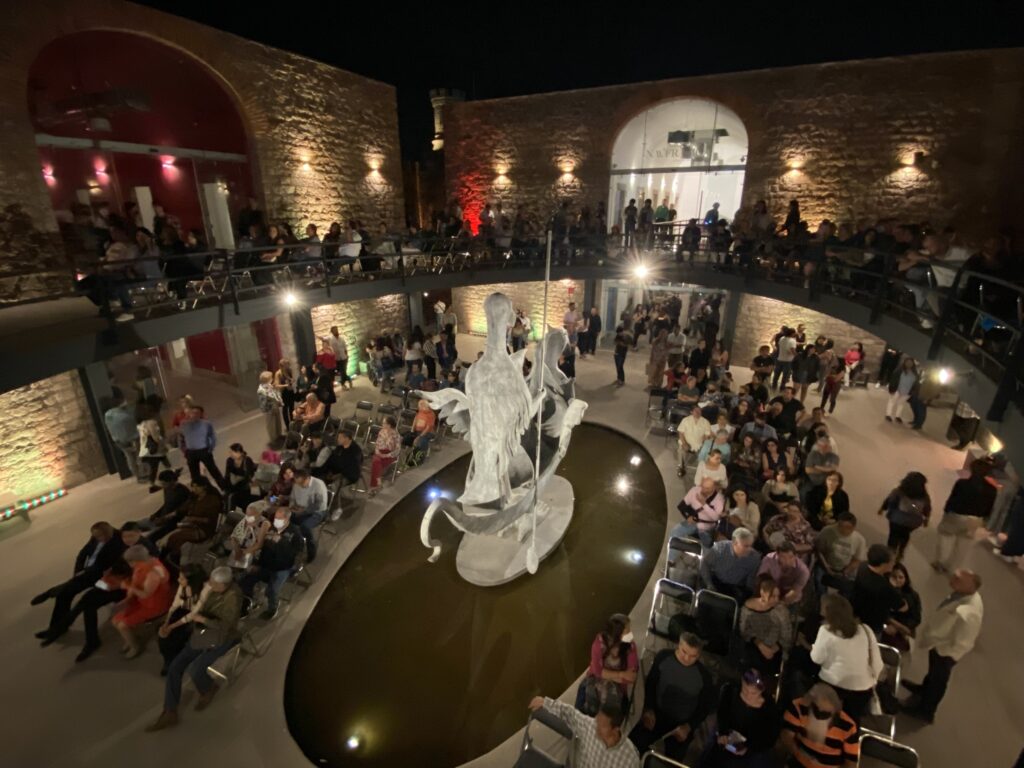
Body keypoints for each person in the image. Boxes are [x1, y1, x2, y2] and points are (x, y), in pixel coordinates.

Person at [146, 567, 244, 732]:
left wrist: (203, 620)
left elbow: (226, 626)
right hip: (203, 634)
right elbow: (196, 607)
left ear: (224, 585)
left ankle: (208, 688)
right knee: (175, 667)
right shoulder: (212, 589)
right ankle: (170, 711)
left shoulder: (232, 598)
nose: (210, 585)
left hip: (224, 637)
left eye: (214, 584)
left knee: (196, 669)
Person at [901, 569, 983, 724]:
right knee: (933, 673)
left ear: (971, 585)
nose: (953, 579)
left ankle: (926, 711)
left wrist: (945, 650)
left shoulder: (970, 611)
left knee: (938, 680)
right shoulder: (961, 594)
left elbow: (964, 638)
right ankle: (924, 690)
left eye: (958, 579)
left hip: (947, 651)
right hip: (939, 642)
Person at [31, 521, 126, 641]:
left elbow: (108, 566)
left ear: (108, 532)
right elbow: (83, 554)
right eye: (96, 536)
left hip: (102, 577)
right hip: (88, 573)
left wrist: (86, 573)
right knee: (64, 594)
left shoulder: (119, 540)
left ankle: (51, 593)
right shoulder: (96, 537)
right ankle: (56, 627)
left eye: (100, 536)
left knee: (83, 599)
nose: (98, 539)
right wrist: (78, 571)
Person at [629, 633, 715, 762]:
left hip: (681, 724)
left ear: (699, 655)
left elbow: (705, 706)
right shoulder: (663, 657)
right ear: (678, 645)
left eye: (693, 656)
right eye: (684, 651)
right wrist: (649, 708)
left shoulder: (704, 676)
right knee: (633, 745)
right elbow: (651, 684)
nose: (687, 658)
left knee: (671, 761)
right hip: (657, 715)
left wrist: (689, 726)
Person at [810, 594, 883, 722]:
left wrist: (813, 647)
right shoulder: (866, 630)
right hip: (862, 688)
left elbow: (816, 659)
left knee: (826, 720)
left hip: (832, 685)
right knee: (852, 722)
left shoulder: (826, 630)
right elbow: (877, 663)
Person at [528, 695, 639, 768]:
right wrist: (545, 702)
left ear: (616, 730)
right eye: (597, 721)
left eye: (602, 726)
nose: (596, 728)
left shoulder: (630, 759)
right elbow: (570, 714)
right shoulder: (590, 726)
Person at [701, 668, 780, 768]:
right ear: (742, 682)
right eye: (745, 690)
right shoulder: (730, 691)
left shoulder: (770, 709)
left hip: (750, 753)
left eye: (753, 693)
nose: (748, 695)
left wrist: (749, 748)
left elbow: (769, 738)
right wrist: (723, 732)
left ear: (762, 690)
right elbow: (722, 713)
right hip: (725, 742)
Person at [933, 458, 998, 573]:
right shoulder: (992, 490)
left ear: (972, 469)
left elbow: (952, 500)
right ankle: (953, 567)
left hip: (956, 515)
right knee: (963, 543)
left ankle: (941, 563)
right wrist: (984, 519)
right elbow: (990, 507)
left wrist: (946, 511)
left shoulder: (962, 483)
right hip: (975, 520)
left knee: (946, 537)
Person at [239, 507, 305, 620]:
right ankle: (249, 603)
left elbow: (295, 554)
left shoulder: (295, 533)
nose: (276, 520)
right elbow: (264, 548)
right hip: (266, 564)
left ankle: (272, 608)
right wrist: (257, 563)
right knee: (245, 580)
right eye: (275, 517)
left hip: (282, 568)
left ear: (286, 519)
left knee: (272, 590)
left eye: (279, 518)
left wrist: (282, 542)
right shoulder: (271, 528)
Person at [110, 544, 174, 659]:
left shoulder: (153, 572)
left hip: (155, 605)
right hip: (143, 601)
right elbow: (136, 582)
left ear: (136, 560)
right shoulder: (143, 565)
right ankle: (130, 639)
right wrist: (128, 598)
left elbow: (146, 594)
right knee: (115, 620)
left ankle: (135, 647)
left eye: (130, 561)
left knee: (122, 625)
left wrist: (128, 587)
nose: (129, 564)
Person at [781, 683, 860, 768]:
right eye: (817, 710)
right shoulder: (799, 707)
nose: (820, 716)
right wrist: (798, 753)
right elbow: (786, 736)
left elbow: (850, 762)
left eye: (825, 713)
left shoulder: (848, 726)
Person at [576, 613, 639, 716]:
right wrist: (621, 674)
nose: (631, 635)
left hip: (617, 687)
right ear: (617, 635)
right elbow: (596, 671)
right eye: (627, 631)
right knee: (586, 700)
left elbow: (631, 677)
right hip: (594, 680)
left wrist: (605, 674)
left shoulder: (630, 647)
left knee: (610, 711)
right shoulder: (599, 644)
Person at [156, 564, 207, 674]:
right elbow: (175, 604)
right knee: (162, 633)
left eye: (182, 578)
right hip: (184, 611)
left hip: (199, 616)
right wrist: (166, 622)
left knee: (179, 635)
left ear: (192, 580)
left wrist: (172, 626)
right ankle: (168, 659)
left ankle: (177, 659)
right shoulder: (183, 585)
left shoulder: (204, 590)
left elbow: (194, 614)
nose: (178, 580)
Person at [740, 575, 792, 675]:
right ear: (763, 593)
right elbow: (744, 631)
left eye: (778, 596)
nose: (776, 599)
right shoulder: (747, 608)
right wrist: (759, 644)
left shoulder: (781, 610)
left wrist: (775, 648)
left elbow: (786, 634)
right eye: (773, 596)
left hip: (775, 647)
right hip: (754, 645)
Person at [163, 477, 223, 562]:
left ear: (204, 486)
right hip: (192, 525)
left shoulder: (212, 500)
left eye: (197, 486)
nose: (194, 489)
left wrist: (193, 519)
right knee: (172, 538)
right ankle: (172, 557)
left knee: (175, 537)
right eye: (193, 486)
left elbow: (210, 520)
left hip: (204, 529)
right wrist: (171, 514)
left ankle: (173, 558)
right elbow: (183, 508)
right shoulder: (194, 498)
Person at [879, 471, 931, 560]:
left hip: (897, 519)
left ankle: (891, 553)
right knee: (905, 534)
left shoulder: (899, 491)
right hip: (913, 522)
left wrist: (883, 508)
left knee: (893, 535)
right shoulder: (924, 496)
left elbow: (890, 500)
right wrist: (926, 519)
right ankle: (901, 551)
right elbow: (927, 508)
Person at [851, 544, 902, 635]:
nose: (894, 563)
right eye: (892, 561)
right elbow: (901, 606)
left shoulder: (863, 566)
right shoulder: (884, 587)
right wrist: (895, 587)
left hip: (857, 613)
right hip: (872, 625)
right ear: (883, 564)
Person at [814, 513, 867, 598]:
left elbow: (857, 560)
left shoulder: (859, 540)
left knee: (852, 587)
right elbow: (819, 550)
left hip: (845, 568)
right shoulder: (827, 531)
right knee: (818, 579)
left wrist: (846, 571)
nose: (841, 529)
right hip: (826, 564)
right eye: (839, 526)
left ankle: (841, 599)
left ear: (853, 528)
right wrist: (826, 567)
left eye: (846, 527)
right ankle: (821, 598)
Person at [702, 528, 762, 600]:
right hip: (714, 579)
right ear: (735, 543)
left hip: (733, 588)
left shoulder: (755, 558)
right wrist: (709, 583)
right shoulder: (720, 548)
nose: (749, 549)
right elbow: (705, 563)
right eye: (746, 546)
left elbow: (750, 582)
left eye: (750, 546)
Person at [179, 406, 226, 491]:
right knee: (194, 475)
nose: (194, 415)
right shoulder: (185, 424)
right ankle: (200, 491)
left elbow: (212, 436)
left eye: (197, 413)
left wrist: (210, 448)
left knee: (213, 471)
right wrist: (184, 451)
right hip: (191, 452)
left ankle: (224, 488)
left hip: (204, 450)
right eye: (192, 413)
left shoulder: (206, 424)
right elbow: (181, 438)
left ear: (201, 414)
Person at [137, 469, 191, 542]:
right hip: (162, 518)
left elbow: (181, 511)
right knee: (133, 525)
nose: (163, 486)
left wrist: (163, 519)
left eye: (164, 484)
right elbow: (166, 504)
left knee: (148, 538)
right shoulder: (167, 489)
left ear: (172, 481)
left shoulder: (182, 491)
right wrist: (156, 514)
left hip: (170, 522)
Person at [881, 563, 921, 653]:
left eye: (901, 577)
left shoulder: (913, 595)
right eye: (894, 577)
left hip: (902, 629)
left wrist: (897, 627)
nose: (897, 580)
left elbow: (916, 619)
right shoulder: (884, 588)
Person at [290, 469, 329, 563]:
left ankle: (311, 551)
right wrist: (292, 506)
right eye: (297, 483)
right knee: (287, 520)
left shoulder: (318, 485)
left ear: (308, 478)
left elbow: (319, 505)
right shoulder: (297, 484)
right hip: (301, 509)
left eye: (301, 483)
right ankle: (294, 545)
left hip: (317, 512)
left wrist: (303, 511)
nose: (300, 486)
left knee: (305, 527)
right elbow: (292, 498)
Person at [673, 478, 726, 547]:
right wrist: (687, 516)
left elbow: (716, 517)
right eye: (702, 487)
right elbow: (681, 506)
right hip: (694, 522)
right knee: (674, 532)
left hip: (707, 527)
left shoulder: (719, 499)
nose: (704, 490)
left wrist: (704, 504)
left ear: (713, 488)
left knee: (707, 545)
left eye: (707, 488)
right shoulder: (694, 490)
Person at [104, 395, 140, 479]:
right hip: (131, 438)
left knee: (129, 457)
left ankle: (137, 475)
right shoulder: (124, 414)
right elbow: (132, 424)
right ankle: (142, 473)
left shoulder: (108, 415)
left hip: (118, 441)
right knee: (138, 456)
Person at [137, 405, 170, 492]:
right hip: (155, 450)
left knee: (156, 466)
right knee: (156, 466)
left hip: (146, 449)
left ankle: (154, 483)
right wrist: (163, 444)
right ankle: (157, 482)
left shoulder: (141, 424)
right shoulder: (151, 422)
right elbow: (155, 437)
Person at [227, 505, 270, 570]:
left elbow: (259, 544)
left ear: (259, 514)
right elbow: (234, 536)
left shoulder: (264, 523)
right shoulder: (245, 519)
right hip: (240, 548)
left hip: (251, 552)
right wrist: (237, 550)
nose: (248, 517)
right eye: (247, 514)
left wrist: (242, 553)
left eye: (251, 515)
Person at [370, 416, 402, 493]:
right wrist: (378, 452)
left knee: (375, 463)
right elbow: (377, 444)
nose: (382, 424)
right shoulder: (381, 432)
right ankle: (378, 483)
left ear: (389, 425)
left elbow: (397, 450)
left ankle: (375, 486)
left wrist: (386, 455)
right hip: (380, 452)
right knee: (376, 462)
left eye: (384, 423)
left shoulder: (396, 435)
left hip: (390, 454)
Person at [885, 357, 919, 423]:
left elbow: (916, 383)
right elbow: (893, 380)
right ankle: (888, 415)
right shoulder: (899, 370)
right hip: (897, 390)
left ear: (913, 364)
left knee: (901, 404)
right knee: (892, 401)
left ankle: (898, 416)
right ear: (904, 363)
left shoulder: (914, 373)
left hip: (907, 392)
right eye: (907, 362)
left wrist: (913, 392)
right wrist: (891, 389)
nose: (909, 364)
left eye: (910, 363)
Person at [678, 405, 712, 472]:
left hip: (699, 444)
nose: (697, 412)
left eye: (699, 410)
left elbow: (707, 435)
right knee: (681, 451)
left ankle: (701, 469)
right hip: (686, 442)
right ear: (691, 412)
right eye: (695, 410)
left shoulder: (706, 422)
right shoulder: (685, 420)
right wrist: (684, 443)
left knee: (706, 452)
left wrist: (703, 444)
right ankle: (681, 467)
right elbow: (681, 433)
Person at [223, 443, 257, 510]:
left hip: (245, 485)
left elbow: (249, 476)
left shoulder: (247, 460)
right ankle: (228, 512)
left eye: (232, 452)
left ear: (238, 452)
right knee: (227, 496)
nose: (230, 454)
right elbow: (227, 475)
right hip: (234, 484)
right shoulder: (229, 460)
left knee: (233, 497)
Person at [401, 399, 437, 463]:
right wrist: (412, 431)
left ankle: (419, 457)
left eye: (420, 406)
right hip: (417, 431)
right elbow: (415, 419)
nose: (418, 408)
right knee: (406, 437)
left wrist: (419, 437)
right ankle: (406, 453)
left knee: (421, 441)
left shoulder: (431, 415)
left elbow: (428, 428)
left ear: (424, 406)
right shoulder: (421, 411)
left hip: (427, 432)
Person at [257, 371, 284, 442]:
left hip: (275, 406)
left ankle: (279, 434)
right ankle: (274, 438)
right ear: (266, 380)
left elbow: (275, 393)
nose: (272, 379)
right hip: (269, 409)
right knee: (271, 425)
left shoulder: (269, 385)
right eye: (271, 378)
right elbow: (263, 403)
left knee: (278, 422)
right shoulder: (261, 390)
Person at [274, 359, 296, 428]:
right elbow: (276, 385)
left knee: (292, 408)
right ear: (282, 366)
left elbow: (292, 379)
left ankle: (293, 423)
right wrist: (285, 385)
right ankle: (288, 425)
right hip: (284, 392)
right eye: (287, 365)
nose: (288, 366)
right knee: (285, 409)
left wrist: (292, 381)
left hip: (290, 391)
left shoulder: (289, 371)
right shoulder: (278, 373)